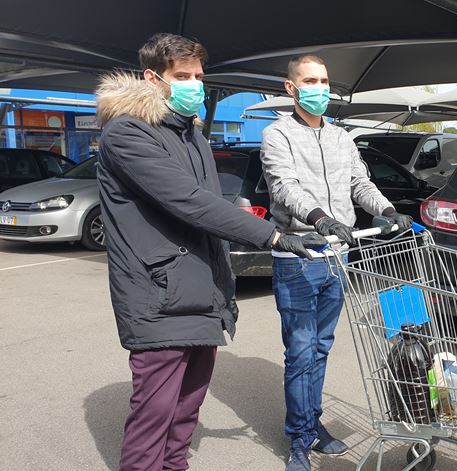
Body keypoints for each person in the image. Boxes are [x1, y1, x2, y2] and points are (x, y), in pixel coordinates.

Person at [96, 33, 325, 471]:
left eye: (199, 75)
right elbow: (190, 202)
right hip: (158, 294)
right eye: (182, 76)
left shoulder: (192, 135)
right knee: (154, 417)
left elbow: (213, 213)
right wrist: (272, 235)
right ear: (153, 78)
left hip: (204, 289)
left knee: (185, 414)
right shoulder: (126, 132)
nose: (194, 84)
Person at [260, 54, 413, 470]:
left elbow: (359, 182)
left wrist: (386, 210)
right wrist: (320, 219)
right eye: (310, 81)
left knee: (322, 347)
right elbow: (284, 186)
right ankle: (297, 438)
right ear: (292, 88)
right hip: (299, 258)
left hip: (338, 258)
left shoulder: (342, 137)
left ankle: (312, 424)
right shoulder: (277, 135)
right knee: (301, 350)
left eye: (324, 80)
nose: (320, 88)